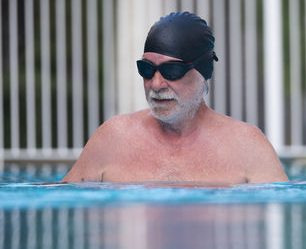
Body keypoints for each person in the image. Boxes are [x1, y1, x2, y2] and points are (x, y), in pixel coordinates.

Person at [62, 12, 288, 184]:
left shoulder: (246, 146)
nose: (157, 84)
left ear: (203, 72)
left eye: (171, 70)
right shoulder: (112, 139)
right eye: (147, 69)